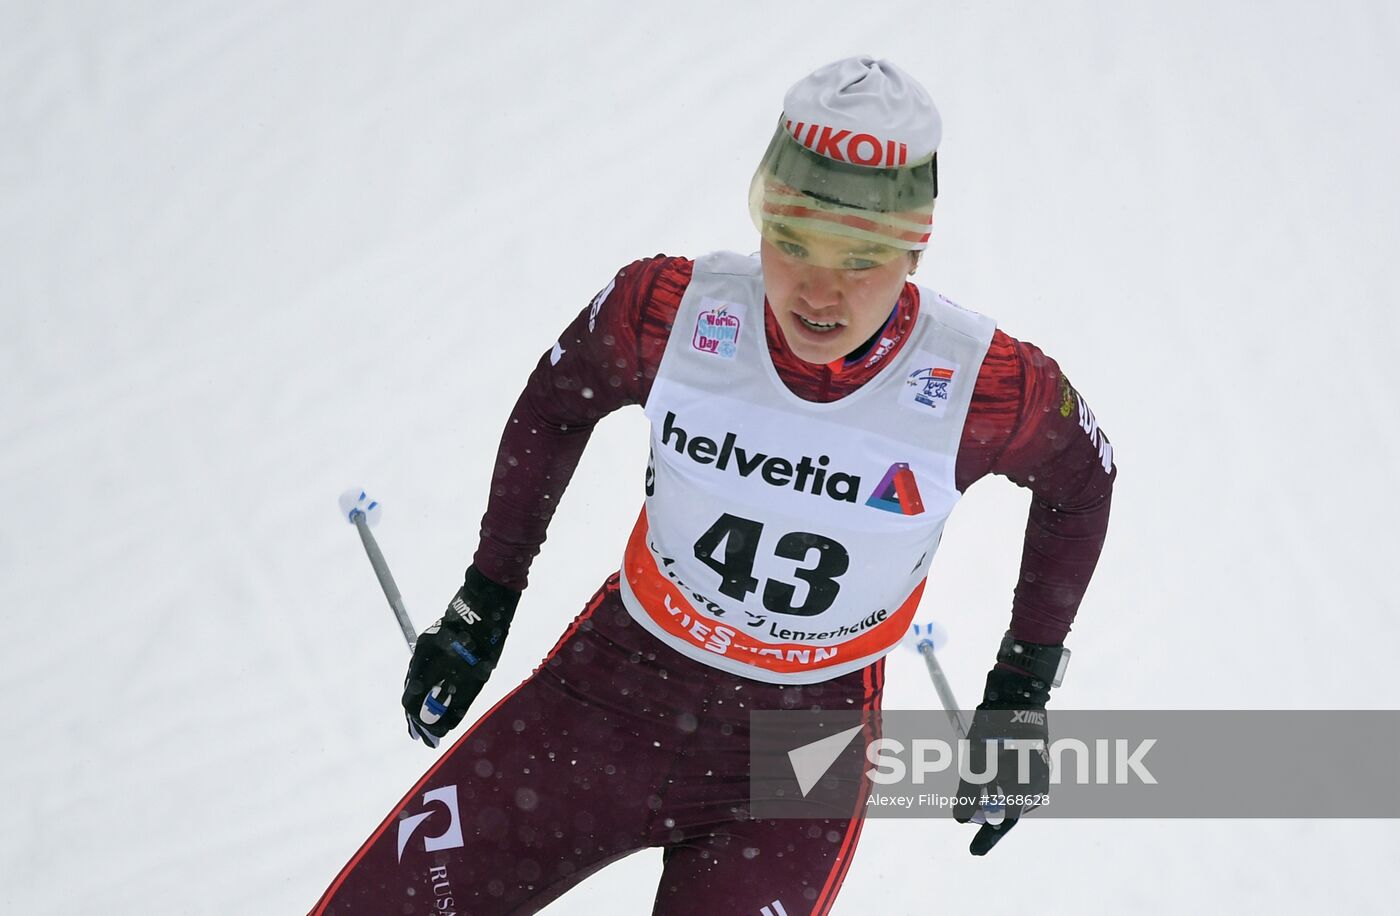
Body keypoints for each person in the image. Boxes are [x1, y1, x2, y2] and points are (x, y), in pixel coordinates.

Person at [311, 56, 1115, 915]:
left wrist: (1021, 692)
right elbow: (554, 404)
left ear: (915, 247)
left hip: (800, 756)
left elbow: (1082, 488)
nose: (819, 290)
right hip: (610, 696)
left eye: (863, 258)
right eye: (793, 241)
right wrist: (486, 600)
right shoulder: (668, 312)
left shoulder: (983, 386)